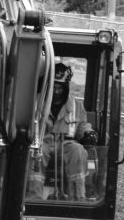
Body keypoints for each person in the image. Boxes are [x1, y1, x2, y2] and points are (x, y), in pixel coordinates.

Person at [31, 61, 98, 201]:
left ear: (65, 87)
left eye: (59, 88)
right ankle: (33, 198)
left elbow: (82, 125)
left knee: (79, 151)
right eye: (53, 87)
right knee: (35, 152)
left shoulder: (75, 105)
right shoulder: (35, 102)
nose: (56, 92)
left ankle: (77, 198)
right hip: (42, 142)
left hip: (66, 144)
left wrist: (88, 133)